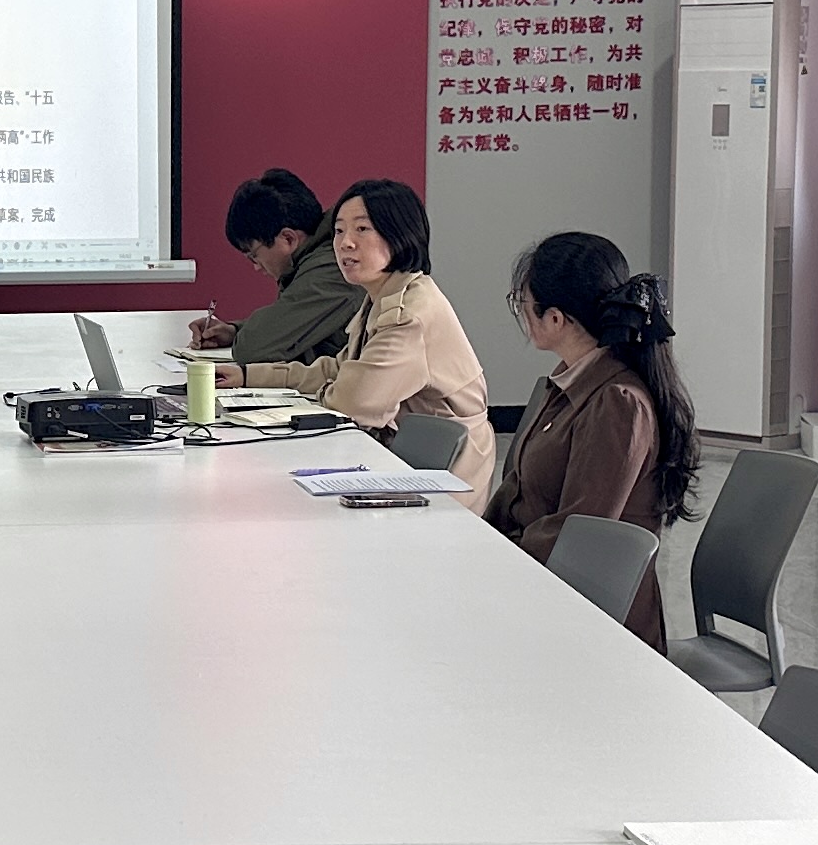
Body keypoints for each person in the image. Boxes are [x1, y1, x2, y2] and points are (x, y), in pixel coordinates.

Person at [484, 232, 699, 649]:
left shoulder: (617, 403)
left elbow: (578, 534)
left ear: (555, 319)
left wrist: (495, 559)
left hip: (592, 619)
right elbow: (516, 491)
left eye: (522, 302)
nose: (521, 313)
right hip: (538, 585)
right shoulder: (568, 383)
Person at [237, 178, 495, 499]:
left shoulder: (407, 314)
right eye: (339, 231)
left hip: (445, 475)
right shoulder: (382, 295)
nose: (345, 243)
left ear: (399, 234)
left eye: (362, 229)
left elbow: (353, 403)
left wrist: (330, 388)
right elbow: (338, 368)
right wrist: (247, 376)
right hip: (406, 456)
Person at [186, 168, 361, 368]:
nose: (256, 267)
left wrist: (242, 338)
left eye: (254, 256)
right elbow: (295, 320)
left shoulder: (332, 270)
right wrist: (234, 331)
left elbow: (252, 349)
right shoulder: (317, 258)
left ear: (288, 238)